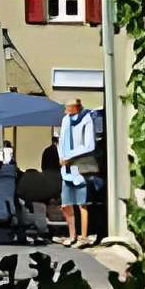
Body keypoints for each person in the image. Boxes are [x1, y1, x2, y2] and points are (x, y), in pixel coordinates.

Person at [56, 98, 98, 246]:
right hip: (66, 167)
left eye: (67, 107)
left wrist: (71, 156)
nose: (65, 110)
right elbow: (61, 140)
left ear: (76, 108)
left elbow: (89, 145)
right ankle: (72, 235)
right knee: (66, 204)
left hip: (80, 166)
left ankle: (83, 236)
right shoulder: (66, 120)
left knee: (81, 203)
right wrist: (61, 156)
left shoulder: (86, 119)